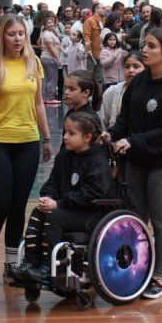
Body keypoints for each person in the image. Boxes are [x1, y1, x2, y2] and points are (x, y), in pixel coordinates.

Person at [0, 13, 52, 286]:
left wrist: (47, 138)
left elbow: (39, 103)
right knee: (1, 204)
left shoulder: (34, 62)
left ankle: (11, 262)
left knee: (18, 206)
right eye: (11, 34)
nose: (18, 39)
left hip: (27, 142)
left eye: (21, 34)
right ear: (1, 36)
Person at [107, 28, 162, 299]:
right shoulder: (138, 82)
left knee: (161, 221)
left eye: (152, 46)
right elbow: (125, 118)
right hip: (136, 161)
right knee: (137, 217)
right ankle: (140, 269)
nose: (145, 49)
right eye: (145, 44)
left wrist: (133, 140)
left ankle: (161, 275)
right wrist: (113, 133)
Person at [12, 111, 114, 287]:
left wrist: (59, 203)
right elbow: (53, 182)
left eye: (71, 133)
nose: (65, 137)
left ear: (87, 137)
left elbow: (94, 193)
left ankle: (46, 266)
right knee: (39, 211)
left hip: (90, 212)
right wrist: (48, 197)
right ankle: (30, 262)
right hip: (68, 208)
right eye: (65, 132)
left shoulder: (97, 160)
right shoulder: (64, 155)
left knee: (54, 215)